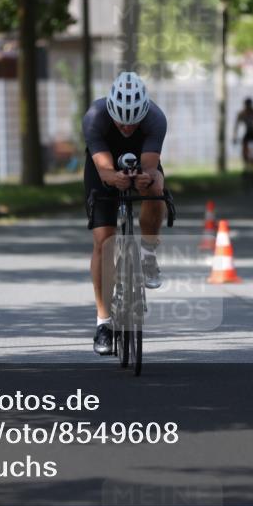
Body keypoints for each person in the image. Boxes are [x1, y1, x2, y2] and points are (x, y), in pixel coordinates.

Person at [82, 72, 167, 355]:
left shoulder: (155, 119)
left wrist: (144, 178)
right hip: (103, 165)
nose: (127, 127)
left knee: (155, 187)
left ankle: (148, 253)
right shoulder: (95, 117)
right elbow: (104, 169)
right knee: (104, 242)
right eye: (121, 122)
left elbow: (150, 165)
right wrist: (113, 178)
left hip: (141, 161)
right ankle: (104, 322)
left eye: (133, 123)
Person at [233, 97, 253, 178]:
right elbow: (236, 126)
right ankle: (246, 168)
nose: (247, 107)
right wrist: (234, 136)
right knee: (245, 151)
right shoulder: (241, 114)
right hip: (247, 134)